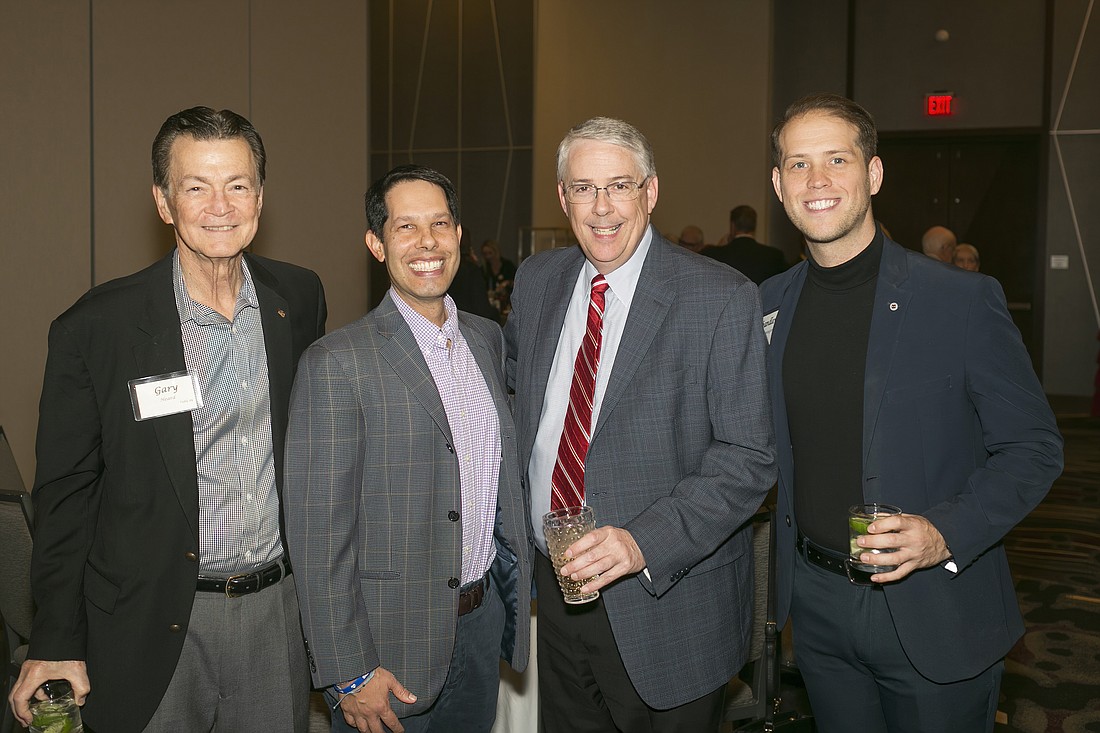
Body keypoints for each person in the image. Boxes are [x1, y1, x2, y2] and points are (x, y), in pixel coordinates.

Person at [9, 107, 327, 732]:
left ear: (260, 197)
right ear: (163, 202)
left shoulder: (299, 297)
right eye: (196, 187)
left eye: (237, 185)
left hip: (275, 615)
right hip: (148, 621)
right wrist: (54, 640)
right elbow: (67, 498)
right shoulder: (97, 329)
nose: (220, 207)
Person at [762, 93, 1063, 732]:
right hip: (815, 608)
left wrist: (944, 533)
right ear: (779, 185)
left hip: (936, 607)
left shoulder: (959, 300)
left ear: (873, 174)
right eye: (798, 164)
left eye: (837, 160)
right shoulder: (766, 306)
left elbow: (1034, 447)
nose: (816, 180)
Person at [505, 117, 776, 733]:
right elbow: (520, 403)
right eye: (584, 188)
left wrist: (641, 543)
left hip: (669, 604)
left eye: (619, 186)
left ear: (650, 192)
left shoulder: (719, 296)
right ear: (563, 197)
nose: (601, 207)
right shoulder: (538, 281)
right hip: (556, 592)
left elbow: (748, 458)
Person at [284, 164, 530, 733]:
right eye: (406, 227)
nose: (427, 243)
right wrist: (348, 671)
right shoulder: (337, 362)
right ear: (376, 244)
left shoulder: (486, 339)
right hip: (386, 648)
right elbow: (318, 536)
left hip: (479, 626)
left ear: (459, 235)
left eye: (440, 224)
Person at [704, 205, 788, 284]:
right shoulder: (774, 256)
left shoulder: (714, 255)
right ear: (754, 226)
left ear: (733, 226)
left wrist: (719, 247)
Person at [481, 239, 517, 316]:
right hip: (491, 305)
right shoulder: (484, 269)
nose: (488, 256)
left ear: (496, 252)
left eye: (490, 253)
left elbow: (518, 282)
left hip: (508, 303)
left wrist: (507, 283)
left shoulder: (508, 266)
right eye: (485, 254)